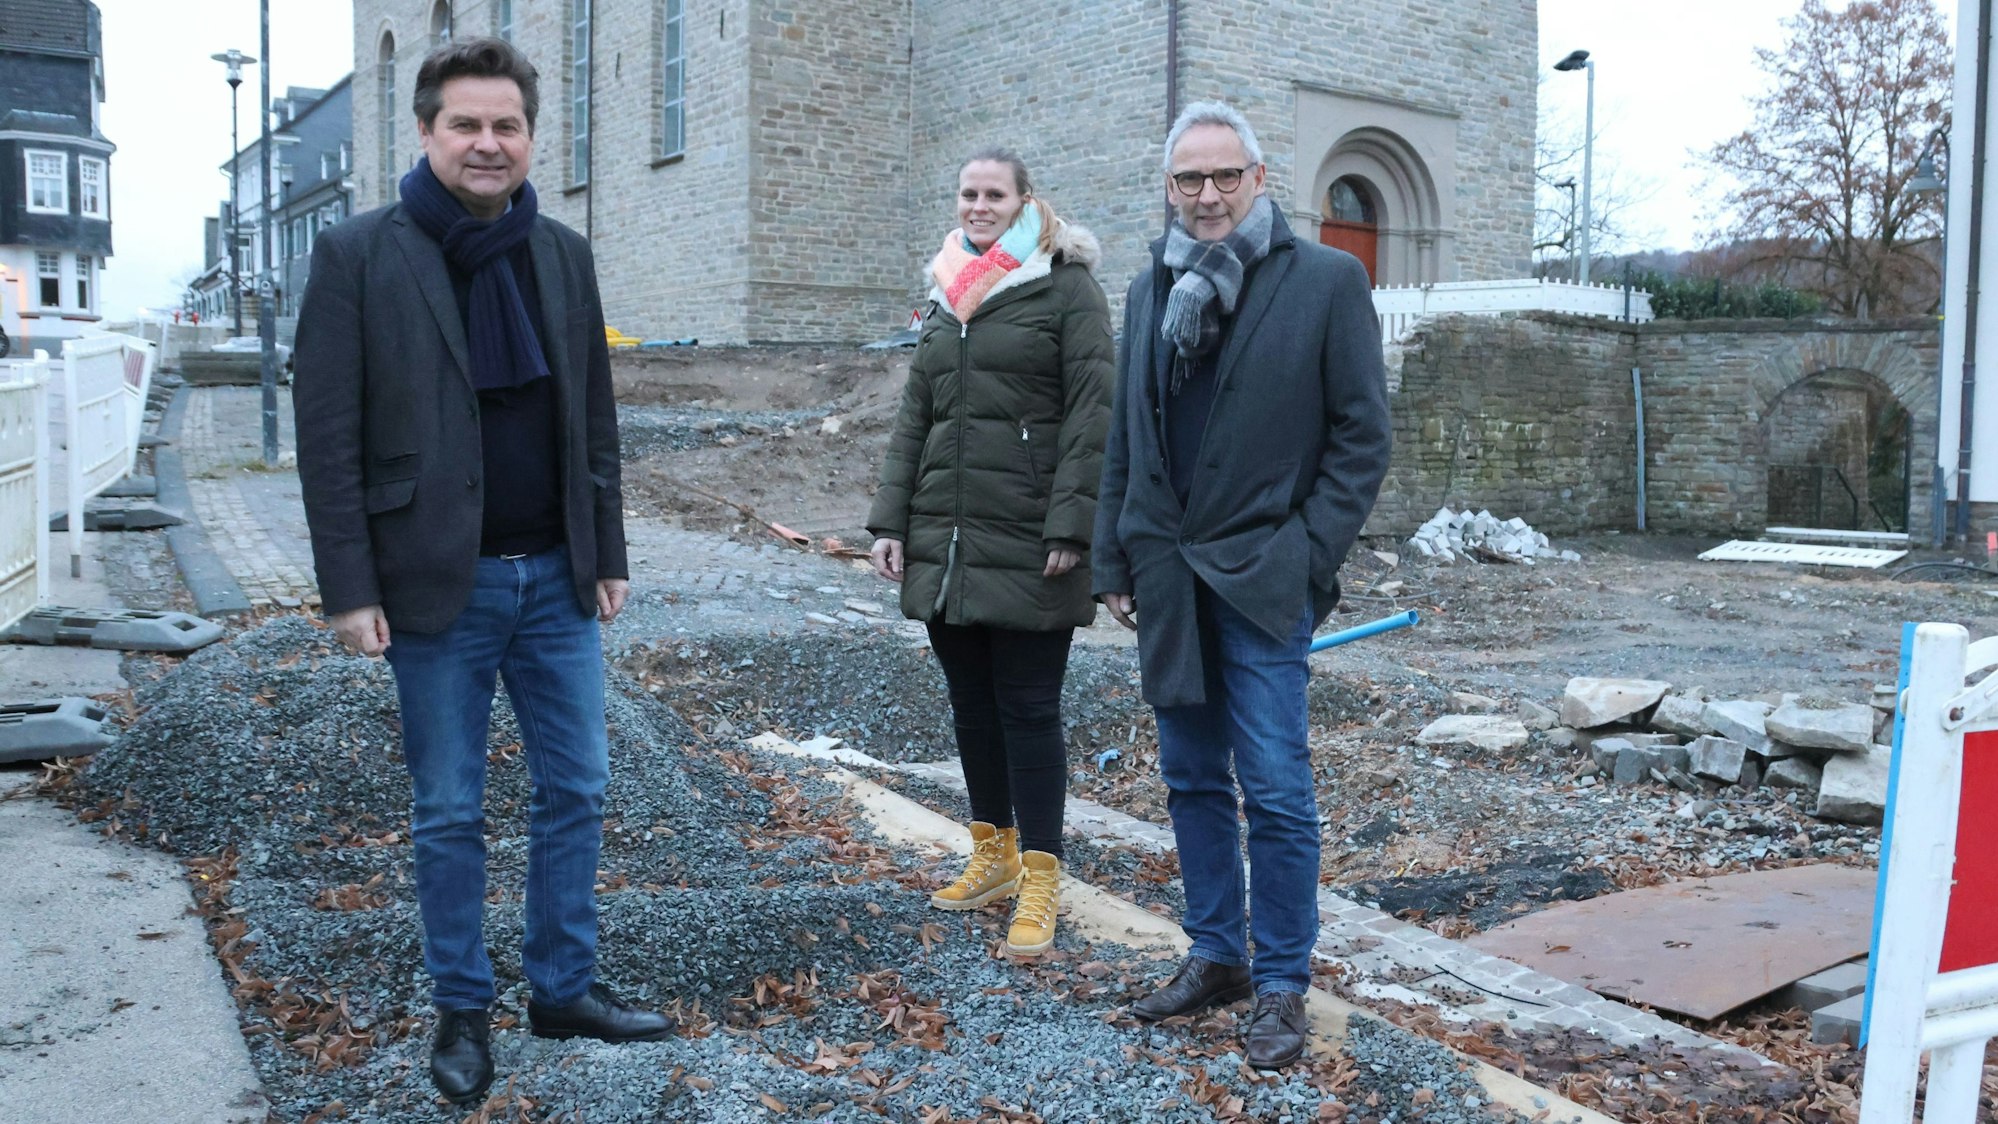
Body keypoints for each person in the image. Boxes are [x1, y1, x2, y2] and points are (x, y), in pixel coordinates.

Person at [293, 37, 667, 1105]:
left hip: (555, 578)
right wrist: (349, 587)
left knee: (578, 787)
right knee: (450, 806)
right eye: (467, 123)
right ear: (426, 131)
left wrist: (607, 551)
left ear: (530, 135)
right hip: (429, 584)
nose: (489, 142)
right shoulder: (360, 255)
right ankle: (464, 1006)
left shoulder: (560, 251)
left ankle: (562, 985)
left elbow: (590, 415)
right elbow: (329, 439)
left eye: (507, 125)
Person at [1091, 102, 1391, 1069]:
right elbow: (1127, 441)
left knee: (1275, 787)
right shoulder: (1146, 289)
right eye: (1190, 180)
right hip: (1169, 580)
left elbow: (1361, 437)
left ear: (1260, 180)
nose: (1208, 195)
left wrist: (1308, 555)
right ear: (1170, 188)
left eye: (1226, 176)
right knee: (1188, 779)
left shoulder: (1327, 281)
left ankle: (1281, 983)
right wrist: (1114, 560)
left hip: (1266, 579)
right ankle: (1216, 954)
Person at [867, 146, 1113, 956]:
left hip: (1032, 534)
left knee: (1030, 710)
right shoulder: (948, 292)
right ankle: (994, 854)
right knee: (971, 707)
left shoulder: (1065, 287)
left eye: (993, 194)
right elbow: (918, 419)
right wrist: (891, 522)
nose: (978, 205)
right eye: (968, 193)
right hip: (949, 536)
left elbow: (1092, 415)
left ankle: (1043, 873)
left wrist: (1072, 526)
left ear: (1024, 200)